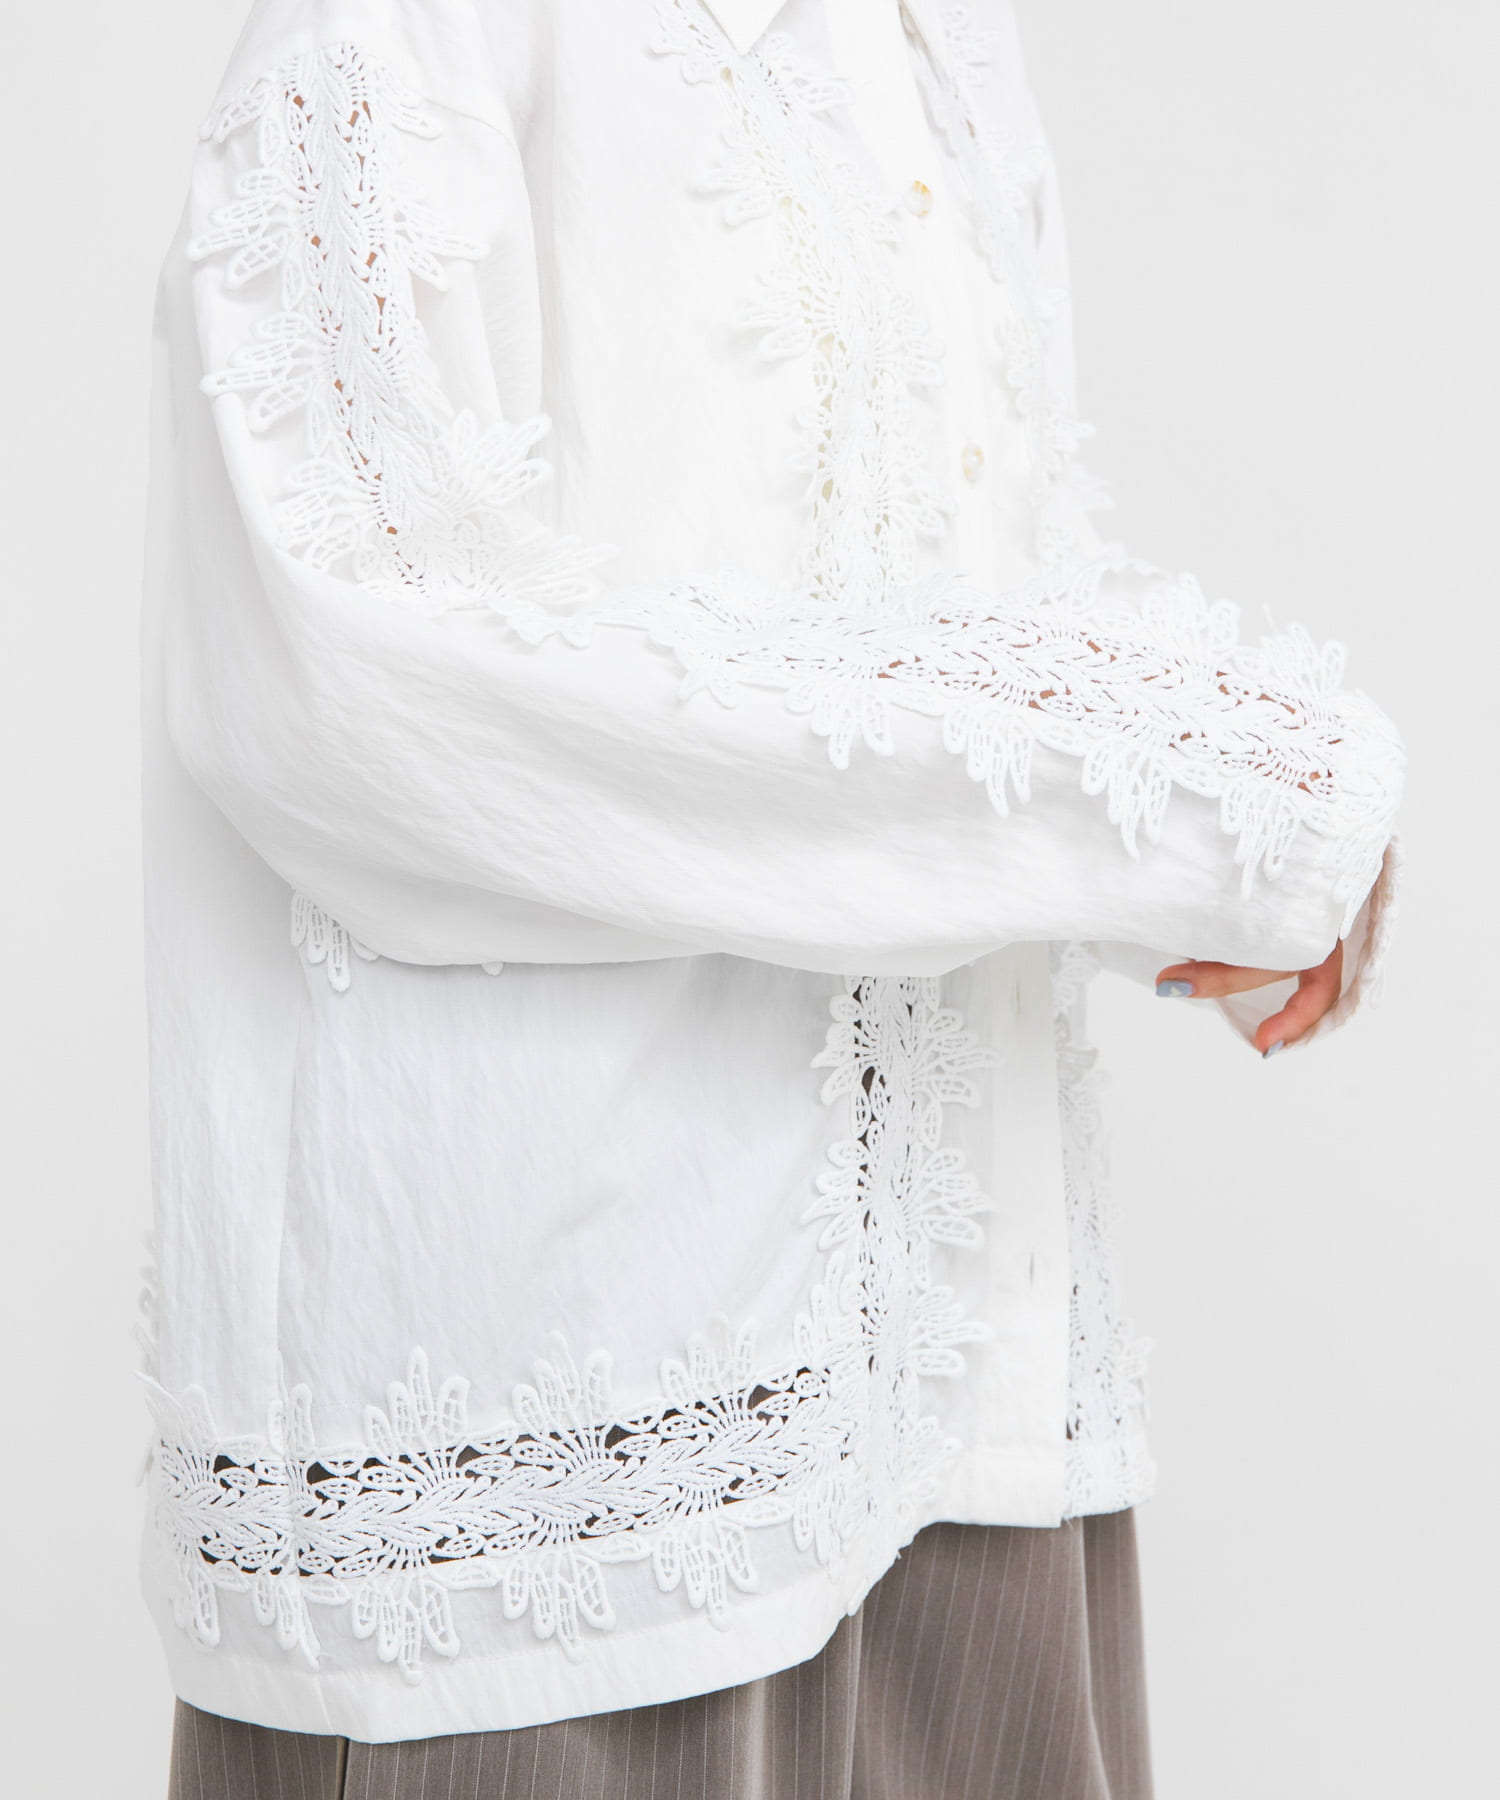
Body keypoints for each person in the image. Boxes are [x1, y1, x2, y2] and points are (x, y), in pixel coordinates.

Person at [141, 1, 1403, 1794]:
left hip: (977, 1398)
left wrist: (1218, 842)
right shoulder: (408, 29)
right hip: (575, 1474)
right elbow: (348, 678)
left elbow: (933, 586)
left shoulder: (945, 39)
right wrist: (1194, 787)